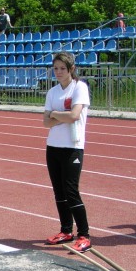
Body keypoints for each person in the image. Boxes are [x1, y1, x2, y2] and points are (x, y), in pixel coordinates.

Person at [43, 52, 92, 253]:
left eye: (62, 68)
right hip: (53, 146)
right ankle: (66, 230)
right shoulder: (52, 92)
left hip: (72, 147)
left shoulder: (79, 88)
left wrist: (55, 114)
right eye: (55, 68)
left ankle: (84, 235)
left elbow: (74, 115)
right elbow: (46, 123)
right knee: (59, 192)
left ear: (71, 69)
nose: (58, 72)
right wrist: (58, 116)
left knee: (71, 192)